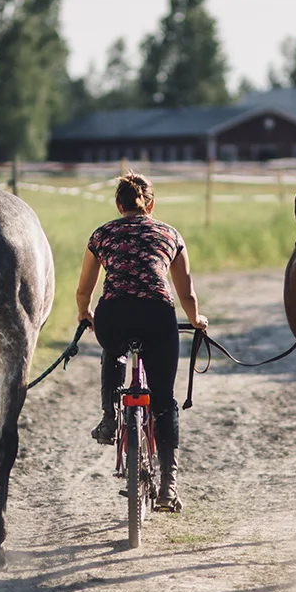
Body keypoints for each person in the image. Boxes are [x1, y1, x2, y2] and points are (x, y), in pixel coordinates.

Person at [75, 173, 208, 510]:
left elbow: (83, 290)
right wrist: (196, 321)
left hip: (113, 316)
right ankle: (168, 486)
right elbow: (187, 293)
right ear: (151, 204)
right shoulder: (170, 234)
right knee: (164, 401)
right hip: (157, 317)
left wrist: (85, 314)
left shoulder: (101, 234)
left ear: (119, 205)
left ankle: (109, 416)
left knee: (113, 350)